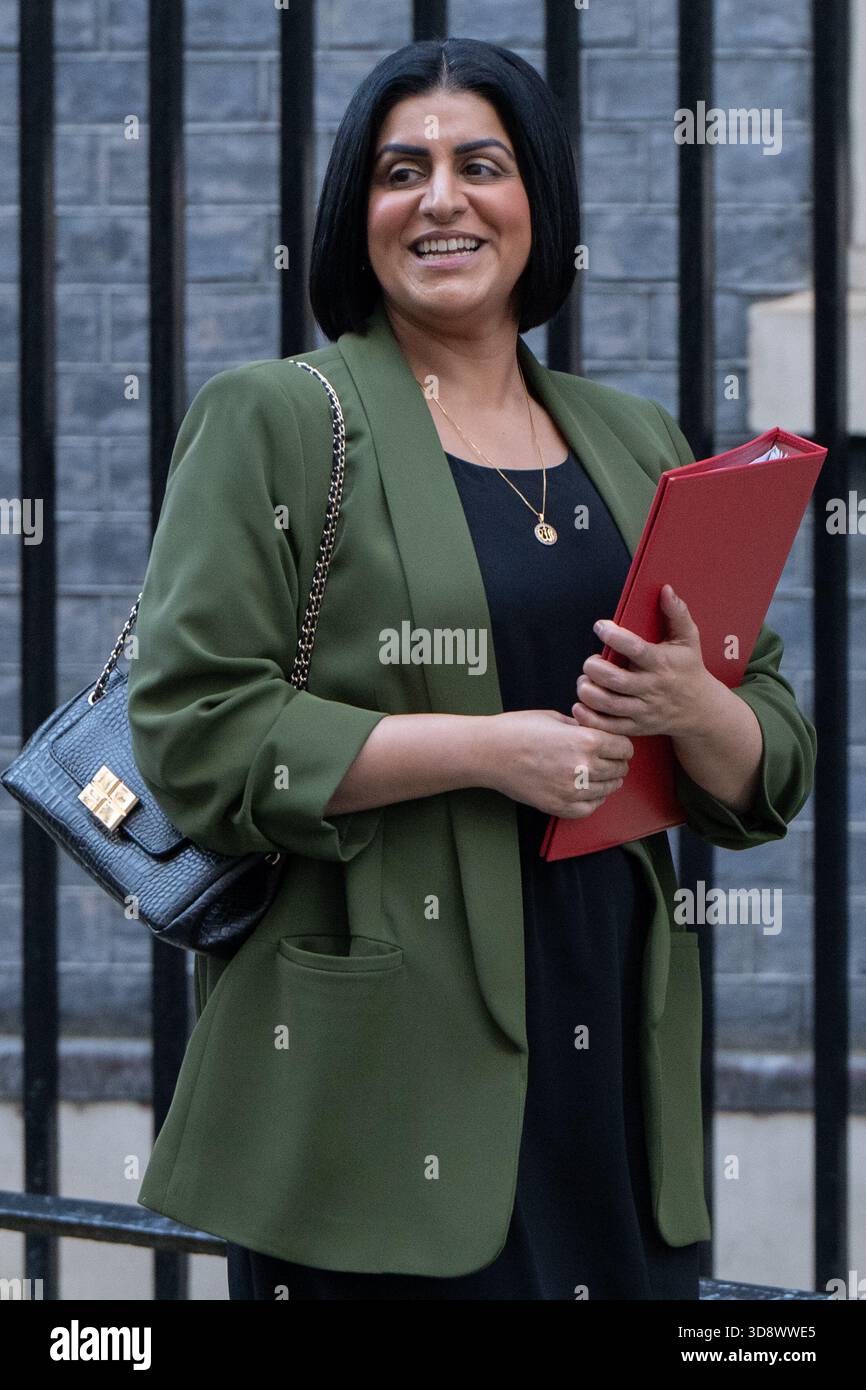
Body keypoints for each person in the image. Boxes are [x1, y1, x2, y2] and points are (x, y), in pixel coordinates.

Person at [127, 37, 817, 1301]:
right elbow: (194, 729)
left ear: (537, 202)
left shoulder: (632, 436)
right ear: (359, 212)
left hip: (605, 1026)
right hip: (386, 1060)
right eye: (401, 170)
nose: (439, 198)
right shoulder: (275, 418)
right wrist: (495, 747)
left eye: (478, 164)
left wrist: (693, 705)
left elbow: (767, 748)